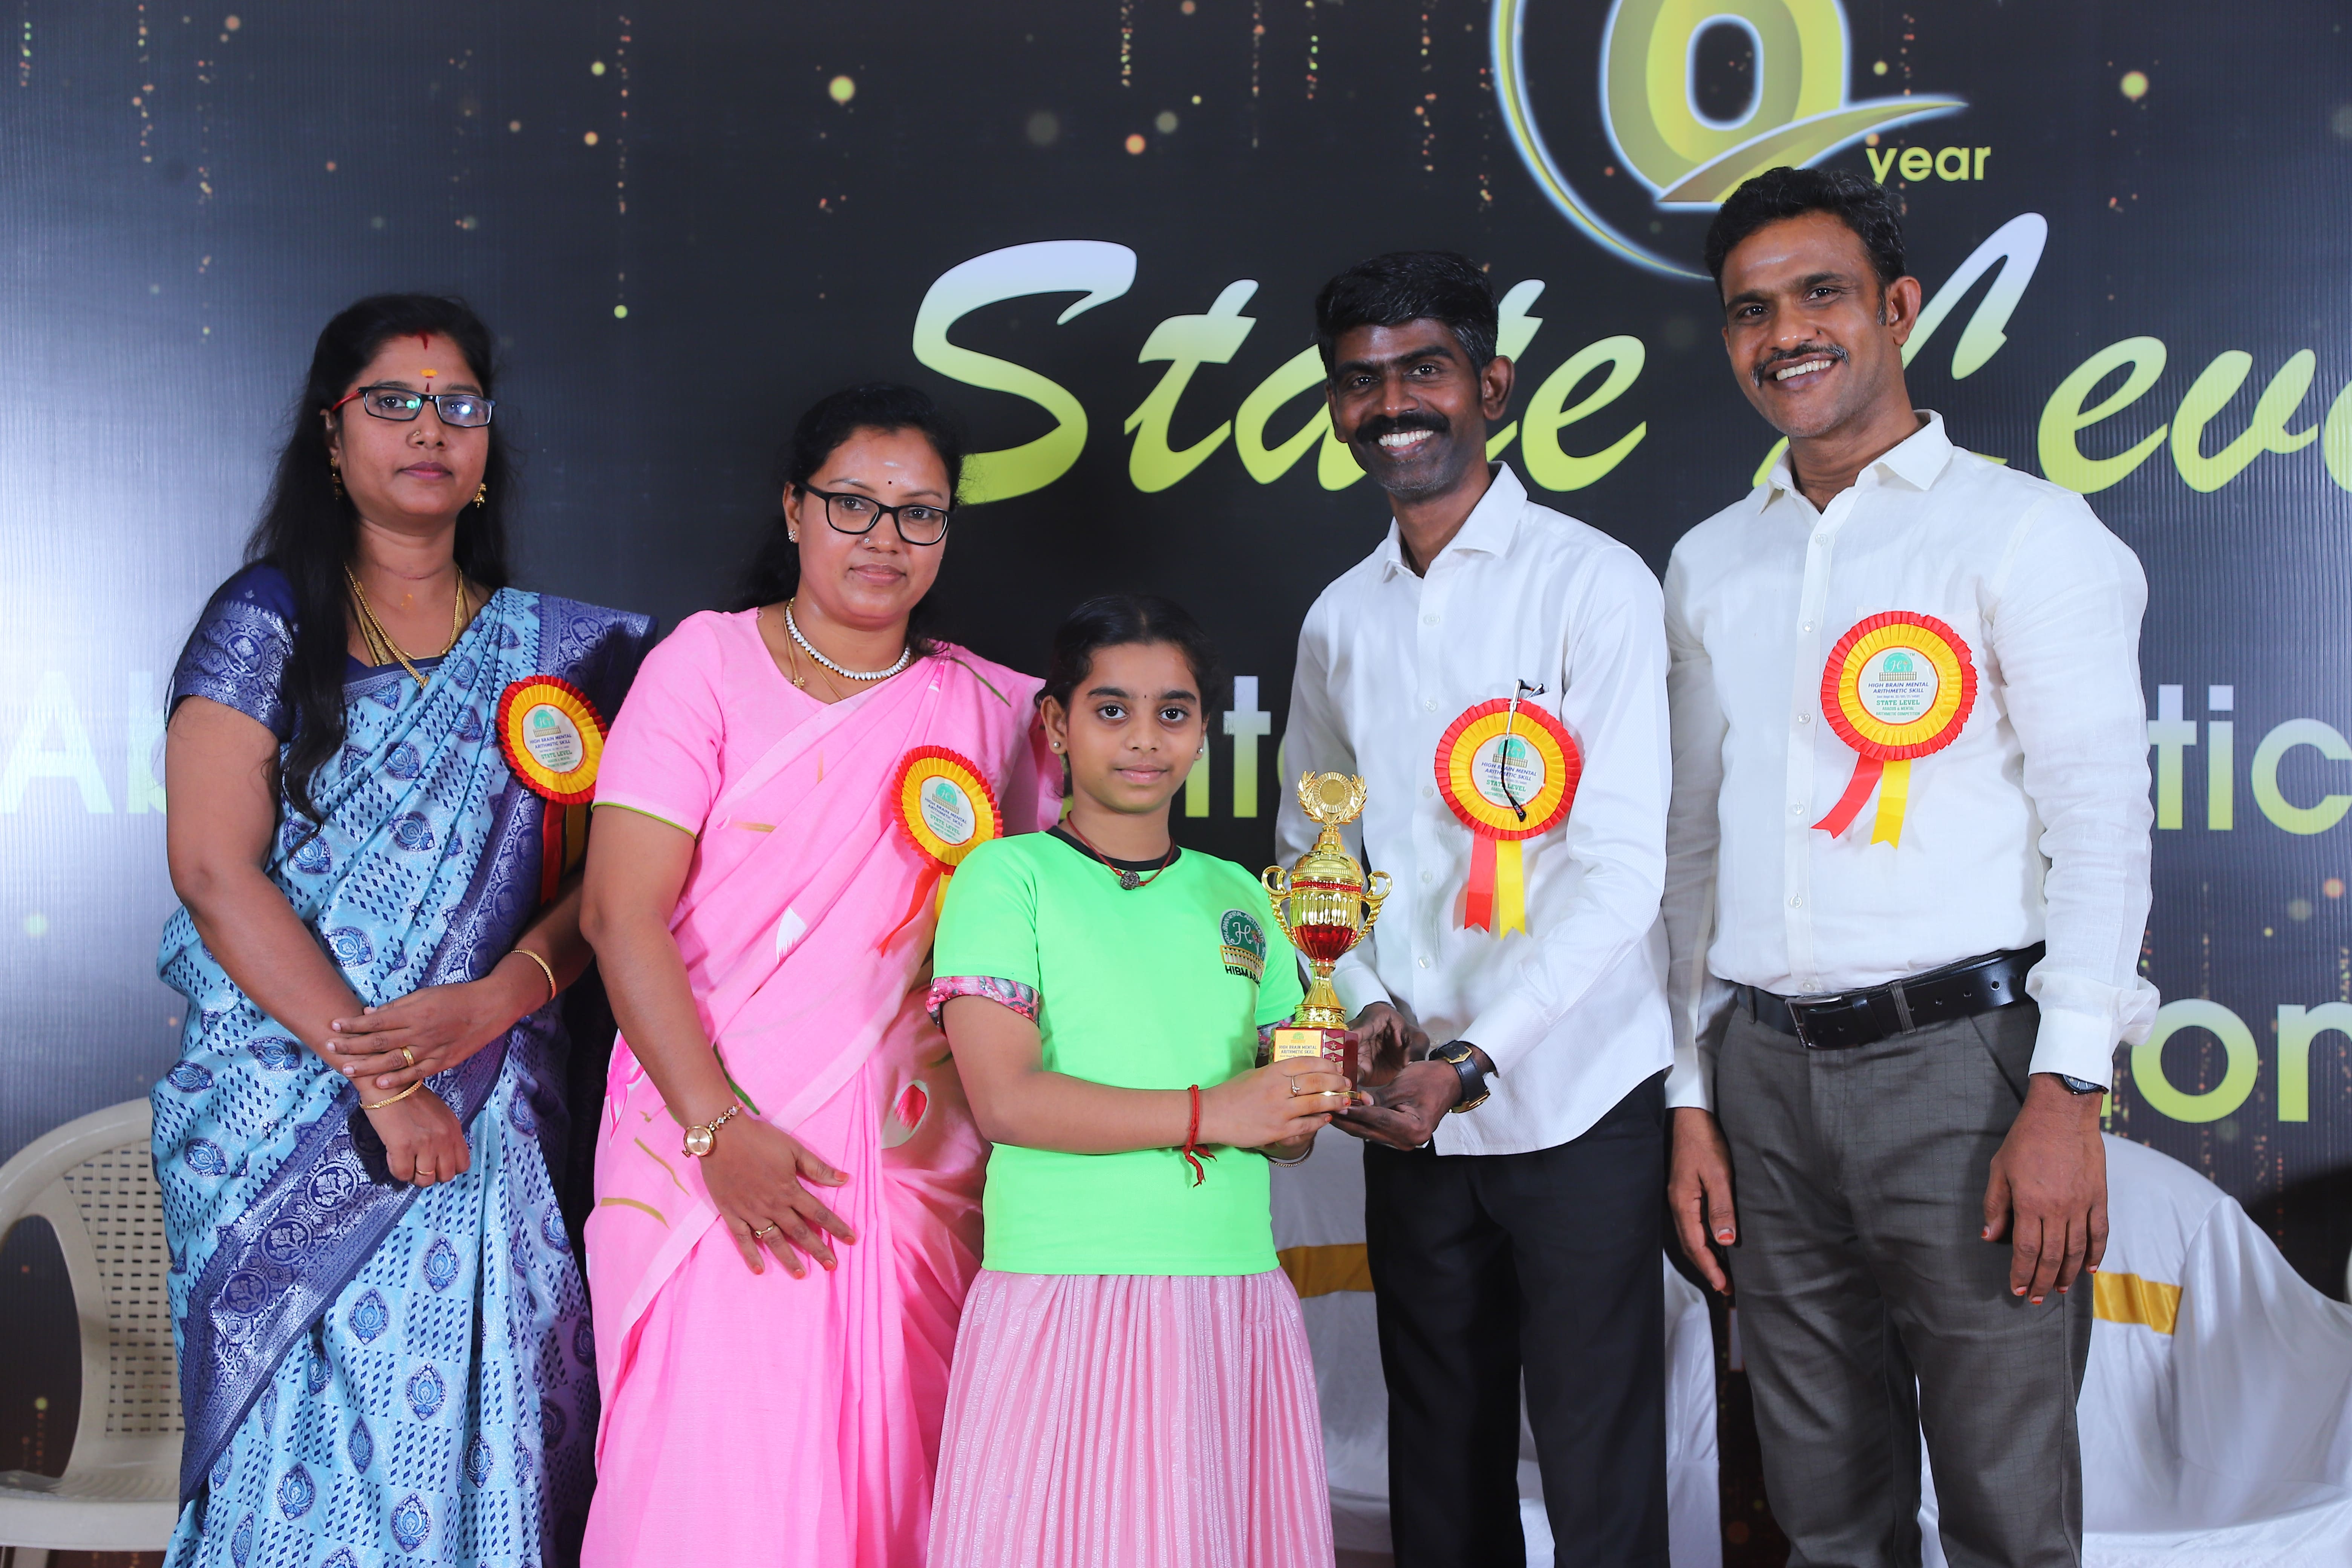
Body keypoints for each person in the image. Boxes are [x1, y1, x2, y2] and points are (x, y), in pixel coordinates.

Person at [1663, 167, 2154, 1568]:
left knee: (2006, 1510)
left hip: (1971, 1072)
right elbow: (1690, 848)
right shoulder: (1707, 564)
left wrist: (2068, 1090)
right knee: (1823, 1514)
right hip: (1760, 1078)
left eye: (1820, 294)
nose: (1785, 334)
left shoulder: (2026, 530)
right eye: (1751, 311)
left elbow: (2100, 824)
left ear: (1898, 308)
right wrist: (1692, 1096)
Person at [153, 294, 652, 1568]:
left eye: (460, 405)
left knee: (498, 1437)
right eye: (393, 402)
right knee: (305, 1465)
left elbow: (615, 895)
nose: (430, 429)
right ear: (332, 436)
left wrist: (496, 1001)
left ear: (488, 445)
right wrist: (383, 1084)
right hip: (296, 1111)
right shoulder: (269, 621)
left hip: (495, 1111)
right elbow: (214, 870)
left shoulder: (562, 658)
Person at [578, 383, 1057, 1566]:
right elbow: (618, 916)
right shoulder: (702, 665)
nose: (885, 539)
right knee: (710, 1492)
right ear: (794, 509)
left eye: (920, 513)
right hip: (704, 1152)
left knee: (895, 1484)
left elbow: (1049, 945)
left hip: (911, 1164)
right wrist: (718, 1131)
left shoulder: (999, 711)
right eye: (853, 504)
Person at [1274, 252, 1674, 1568]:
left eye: (1424, 371)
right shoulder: (1339, 620)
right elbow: (1314, 850)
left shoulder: (1594, 582)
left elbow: (1622, 872)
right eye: (1360, 381)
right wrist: (1372, 1001)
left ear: (1491, 385)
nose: (1392, 405)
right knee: (1439, 1462)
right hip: (1410, 1108)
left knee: (1598, 1464)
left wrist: (1476, 1058)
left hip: (1576, 1093)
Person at [924, 593, 1342, 1568]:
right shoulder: (1007, 878)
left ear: (1204, 731)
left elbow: (1282, 1122)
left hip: (1229, 1289)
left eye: (1173, 712)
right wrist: (1217, 1113)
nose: (1145, 738)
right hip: (1066, 1286)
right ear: (1056, 725)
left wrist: (1318, 1100)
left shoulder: (1245, 895)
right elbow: (1006, 1100)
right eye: (1111, 710)